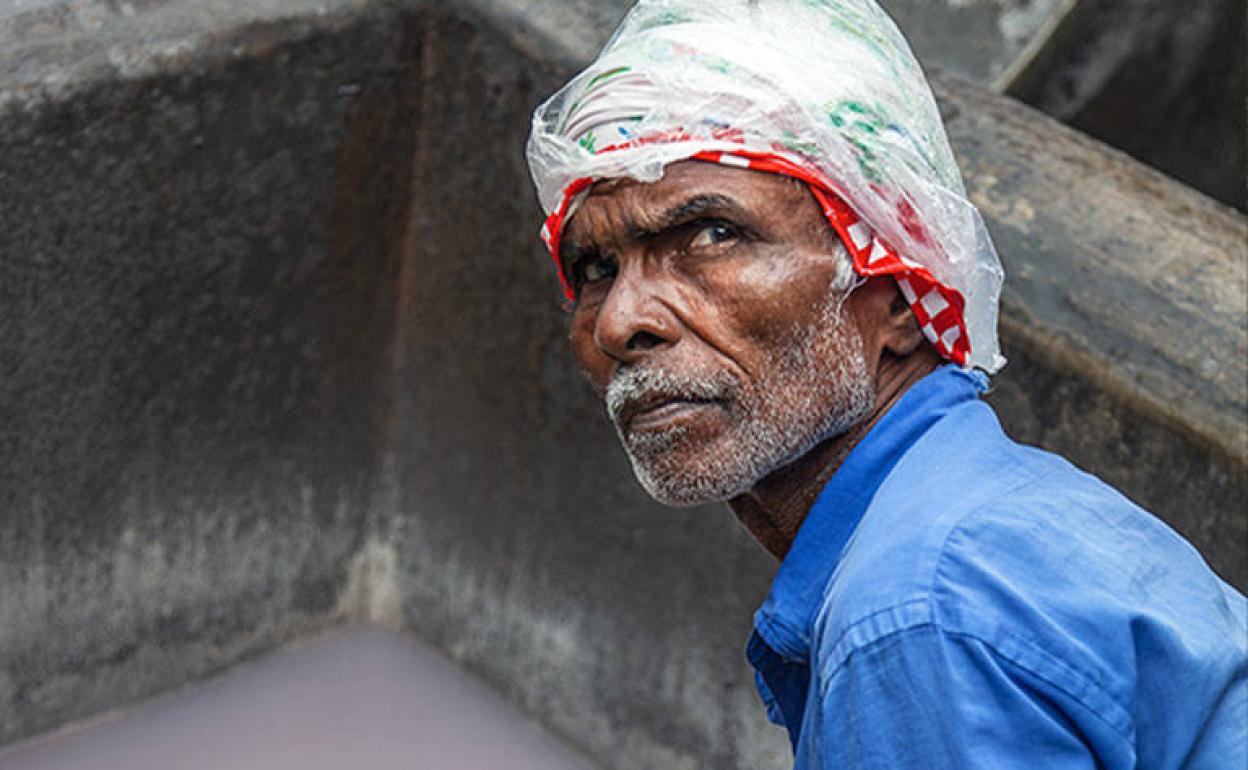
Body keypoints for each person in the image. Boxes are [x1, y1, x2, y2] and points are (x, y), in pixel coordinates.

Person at [525, 1, 1247, 767]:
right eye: (596, 269)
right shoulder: (988, 520)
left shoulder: (917, 612)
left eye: (712, 233)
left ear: (899, 297)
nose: (619, 321)